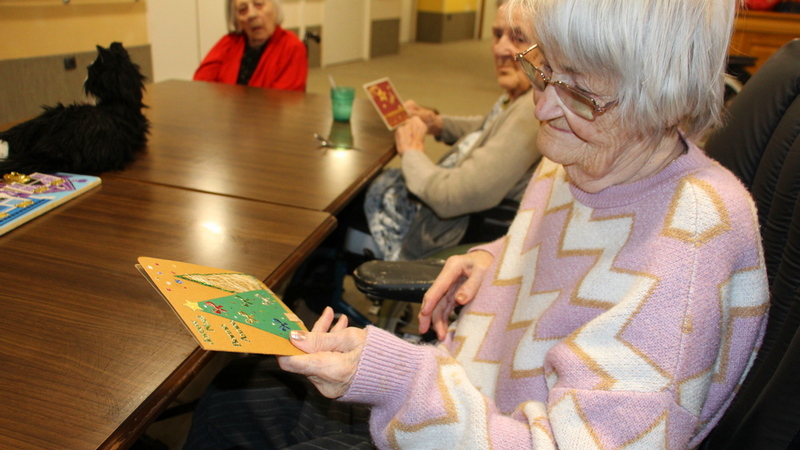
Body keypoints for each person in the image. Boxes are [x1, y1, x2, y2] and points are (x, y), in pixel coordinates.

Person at [278, 0, 769, 448]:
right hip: (458, 393)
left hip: (460, 420)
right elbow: (545, 243)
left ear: (664, 95)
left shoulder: (691, 248)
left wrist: (399, 381)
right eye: (541, 66)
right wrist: (485, 257)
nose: (543, 106)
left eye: (578, 89)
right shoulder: (584, 152)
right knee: (234, 398)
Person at [362, 0, 541, 261]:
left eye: (518, 38)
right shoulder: (522, 96)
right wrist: (437, 123)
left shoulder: (532, 111)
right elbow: (490, 127)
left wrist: (412, 152)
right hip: (449, 202)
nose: (501, 48)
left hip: (446, 230)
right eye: (497, 35)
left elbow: (451, 197)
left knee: (348, 207)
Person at [194, 0, 307, 92]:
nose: (252, 15)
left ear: (275, 8)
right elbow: (200, 86)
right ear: (237, 21)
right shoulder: (228, 43)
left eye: (258, 4)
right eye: (243, 10)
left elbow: (283, 103)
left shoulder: (291, 47)